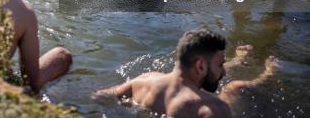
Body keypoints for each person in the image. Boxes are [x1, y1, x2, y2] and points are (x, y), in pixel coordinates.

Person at [93, 29, 281, 118]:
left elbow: (100, 97)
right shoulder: (210, 109)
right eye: (221, 64)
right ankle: (269, 75)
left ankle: (239, 61)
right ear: (199, 65)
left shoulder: (144, 80)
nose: (223, 71)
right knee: (235, 88)